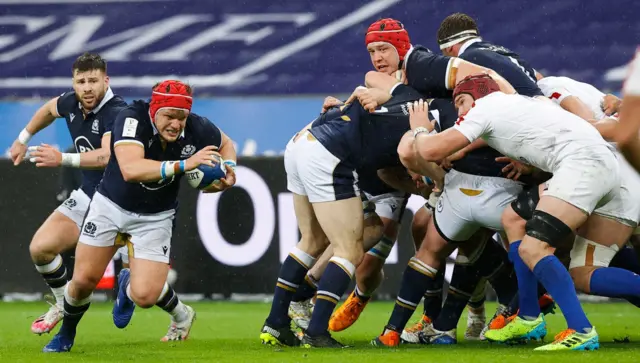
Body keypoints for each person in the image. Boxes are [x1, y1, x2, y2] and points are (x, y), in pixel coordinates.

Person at [413, 74, 615, 351]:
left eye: (461, 102)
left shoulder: (484, 108)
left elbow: (431, 150)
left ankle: (581, 330)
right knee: (513, 218)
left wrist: (419, 130)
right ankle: (529, 316)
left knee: (535, 249)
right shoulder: (515, 103)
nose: (459, 112)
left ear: (476, 97)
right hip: (594, 161)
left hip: (581, 165)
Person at [42, 80, 237, 352]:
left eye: (181, 117)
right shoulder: (131, 118)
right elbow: (131, 169)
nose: (175, 124)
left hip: (156, 216)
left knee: (145, 296)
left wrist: (228, 168)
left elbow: (227, 143)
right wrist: (185, 164)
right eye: (169, 116)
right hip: (110, 206)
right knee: (83, 281)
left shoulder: (197, 126)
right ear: (154, 110)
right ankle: (67, 333)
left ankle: (127, 284)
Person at [8, 52, 127, 335]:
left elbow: (106, 157)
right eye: (81, 81)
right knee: (41, 248)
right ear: (74, 83)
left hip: (120, 202)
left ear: (106, 81)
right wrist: (22, 139)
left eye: (93, 81)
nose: (87, 87)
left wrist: (61, 158)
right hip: (89, 194)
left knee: (147, 292)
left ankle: (181, 314)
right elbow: (49, 109)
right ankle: (62, 303)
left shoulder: (117, 111)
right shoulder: (72, 101)